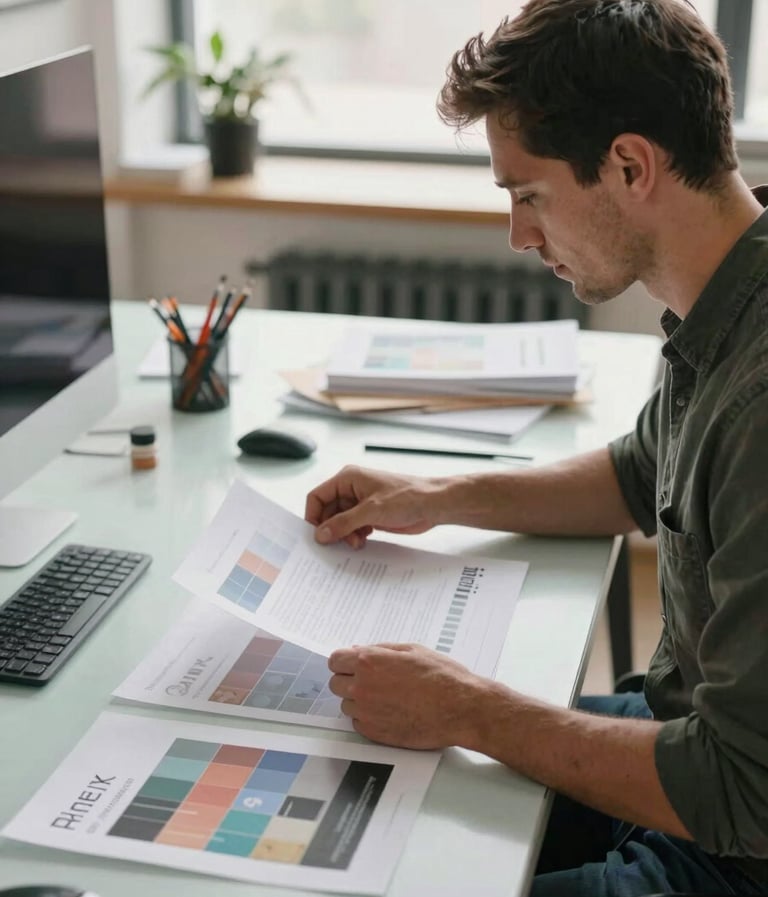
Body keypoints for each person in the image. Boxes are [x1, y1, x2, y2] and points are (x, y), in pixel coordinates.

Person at [304, 1, 768, 895]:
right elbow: (640, 476)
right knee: (383, 775)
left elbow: (742, 789)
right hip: (687, 735)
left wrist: (473, 709)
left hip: (732, 839)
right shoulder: (725, 297)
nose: (519, 234)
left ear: (629, 165)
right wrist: (432, 496)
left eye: (527, 195)